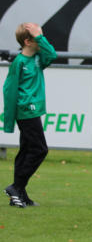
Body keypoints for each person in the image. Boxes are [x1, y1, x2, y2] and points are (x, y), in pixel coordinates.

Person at [3, 23, 56, 208]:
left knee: (26, 150)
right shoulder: (19, 63)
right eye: (37, 37)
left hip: (33, 110)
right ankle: (16, 187)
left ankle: (20, 195)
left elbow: (52, 55)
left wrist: (40, 37)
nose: (41, 40)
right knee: (40, 149)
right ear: (27, 41)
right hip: (26, 111)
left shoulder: (38, 58)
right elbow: (9, 91)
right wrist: (9, 121)